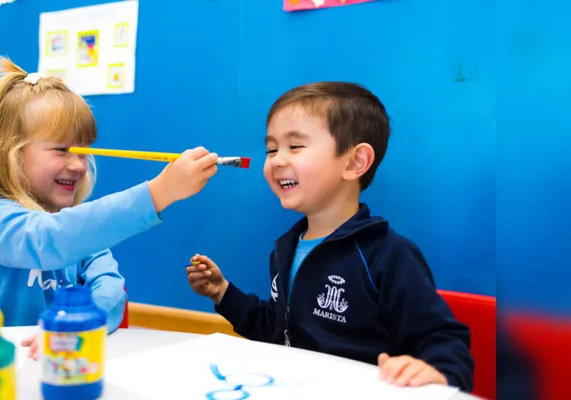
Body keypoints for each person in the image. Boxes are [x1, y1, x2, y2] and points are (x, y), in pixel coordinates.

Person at [186, 82, 474, 391]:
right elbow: (278, 330)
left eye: (295, 146)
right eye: (271, 149)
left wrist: (439, 373)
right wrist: (222, 293)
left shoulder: (388, 256)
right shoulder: (285, 250)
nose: (277, 160)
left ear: (354, 162)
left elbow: (444, 341)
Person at [0, 56, 218, 339]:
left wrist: (78, 324)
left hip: (67, 367)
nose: (78, 165)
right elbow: (47, 240)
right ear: (0, 154)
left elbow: (111, 288)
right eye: (62, 150)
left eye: (83, 151)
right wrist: (160, 192)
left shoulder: (81, 235)